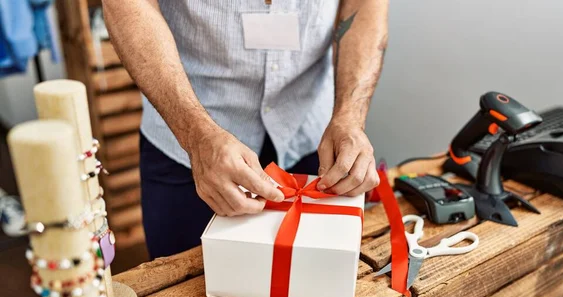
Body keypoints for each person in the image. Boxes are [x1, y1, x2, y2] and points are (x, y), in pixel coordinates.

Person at [104, 0, 389, 259]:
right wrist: (196, 136)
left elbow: (364, 4)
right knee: (188, 284)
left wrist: (350, 117)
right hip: (188, 140)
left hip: (313, 134)